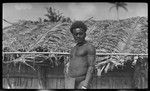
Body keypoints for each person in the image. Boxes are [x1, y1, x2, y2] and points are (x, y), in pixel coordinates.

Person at [65, 21, 96, 89]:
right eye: (76, 34)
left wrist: (85, 85)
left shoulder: (89, 47)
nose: (78, 36)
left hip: (82, 82)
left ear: (85, 34)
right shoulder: (73, 49)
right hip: (70, 82)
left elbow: (91, 67)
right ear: (73, 35)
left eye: (80, 33)